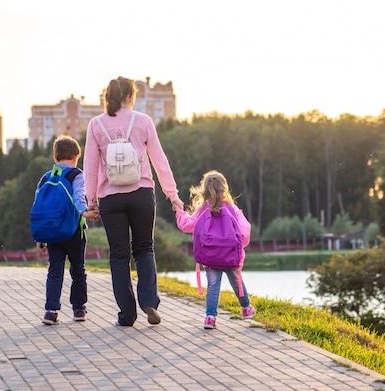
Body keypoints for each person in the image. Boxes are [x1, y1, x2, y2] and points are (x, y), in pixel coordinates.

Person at [84, 76, 184, 327]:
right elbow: (160, 161)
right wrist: (172, 195)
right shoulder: (143, 121)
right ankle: (149, 300)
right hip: (141, 194)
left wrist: (91, 200)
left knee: (119, 255)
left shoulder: (96, 125)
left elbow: (90, 167)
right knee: (144, 248)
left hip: (110, 197)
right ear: (131, 96)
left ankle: (127, 315)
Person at [175, 170, 255, 329]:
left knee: (213, 285)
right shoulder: (232, 209)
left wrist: (179, 211)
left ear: (204, 190)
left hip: (210, 256)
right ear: (224, 189)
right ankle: (246, 309)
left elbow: (186, 225)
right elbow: (244, 235)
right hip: (231, 256)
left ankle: (210, 318)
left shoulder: (202, 210)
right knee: (237, 281)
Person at [35, 135, 99, 325]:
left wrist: (40, 236)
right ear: (76, 156)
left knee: (55, 270)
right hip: (73, 232)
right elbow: (79, 196)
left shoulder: (46, 177)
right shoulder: (77, 175)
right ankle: (79, 309)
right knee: (78, 269)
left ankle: (51, 311)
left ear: (55, 158)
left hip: (53, 233)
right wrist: (85, 212)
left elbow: (39, 207)